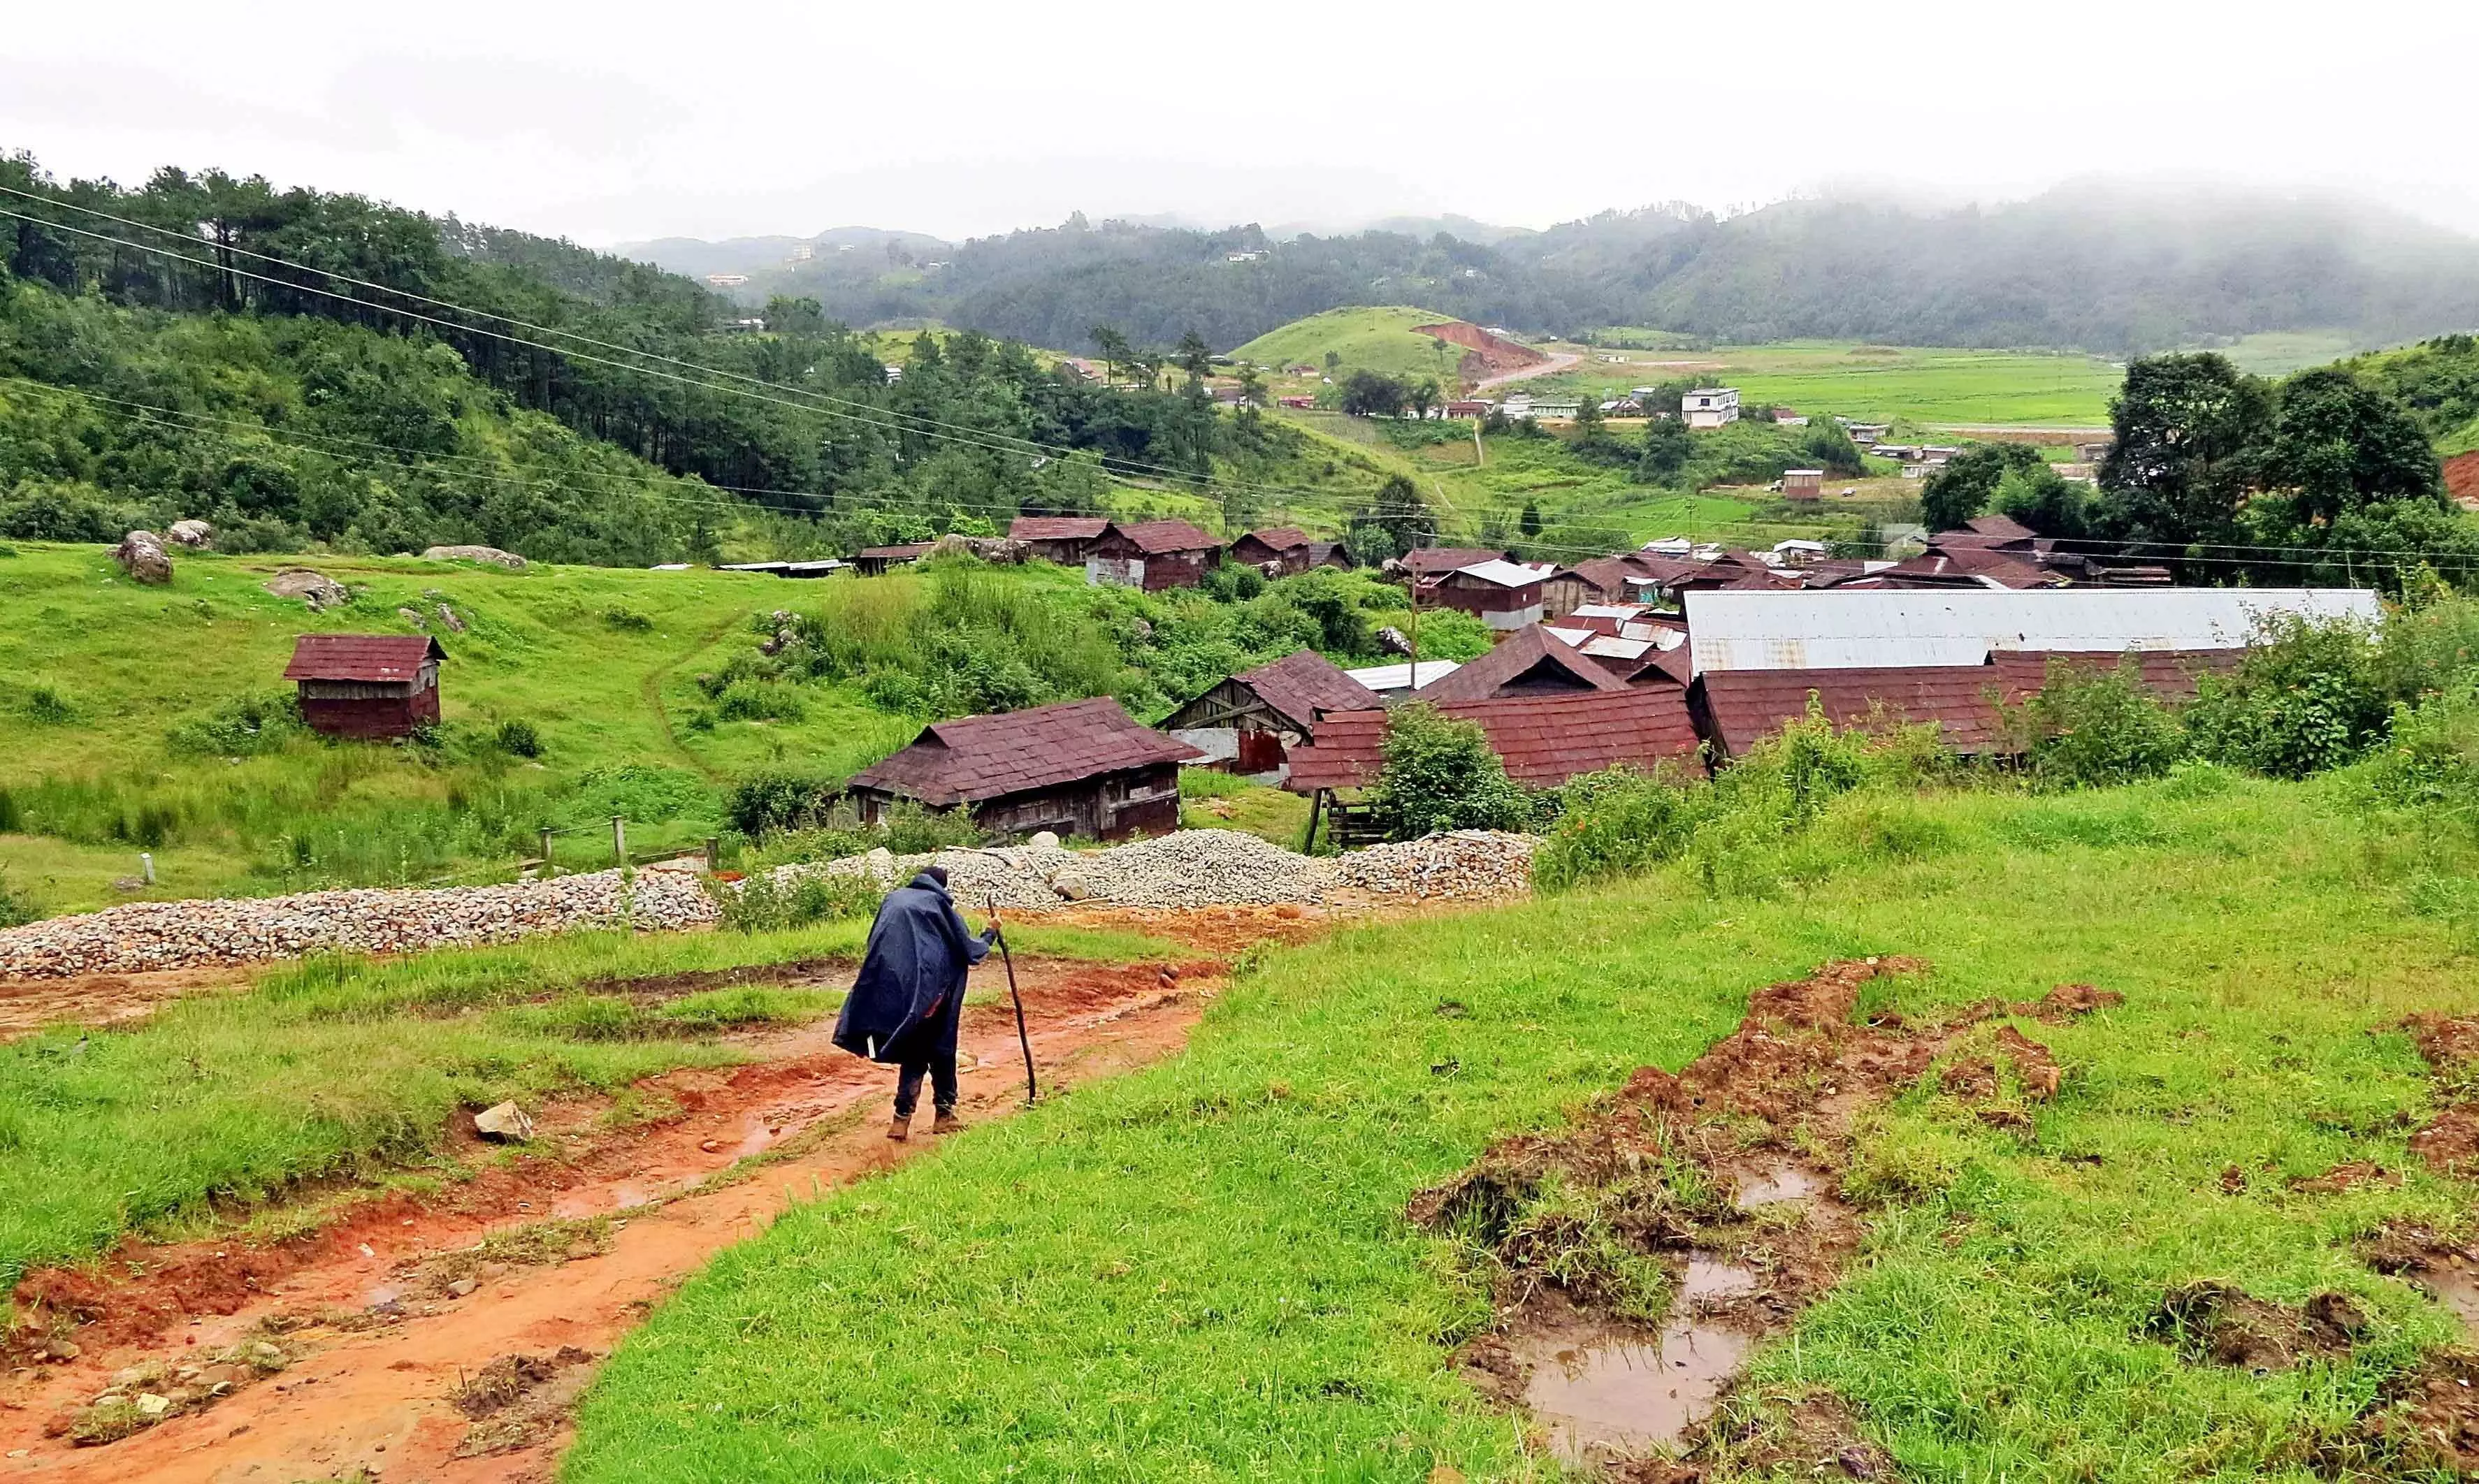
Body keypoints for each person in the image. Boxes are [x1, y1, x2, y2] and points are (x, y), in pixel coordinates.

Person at [833, 864, 999, 1140]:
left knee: (917, 1051)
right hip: (931, 997)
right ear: (942, 887)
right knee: (940, 1050)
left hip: (894, 993)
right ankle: (937, 1116)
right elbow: (969, 950)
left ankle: (906, 1119)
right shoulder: (938, 906)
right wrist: (990, 933)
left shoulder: (894, 899)